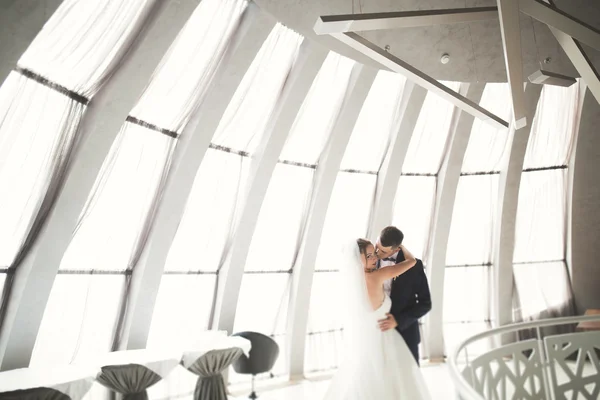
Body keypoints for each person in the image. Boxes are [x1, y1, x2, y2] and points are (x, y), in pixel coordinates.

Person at [322, 239, 431, 399]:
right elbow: (411, 262)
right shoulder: (376, 276)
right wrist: (399, 245)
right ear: (357, 259)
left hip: (365, 340)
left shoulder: (353, 283)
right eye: (369, 255)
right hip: (385, 337)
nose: (375, 258)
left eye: (374, 253)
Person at [375, 226, 432, 364]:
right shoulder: (368, 260)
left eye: (383, 251)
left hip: (406, 334)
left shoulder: (414, 266)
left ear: (396, 249)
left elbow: (425, 303)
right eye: (377, 246)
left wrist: (399, 321)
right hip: (377, 331)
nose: (377, 252)